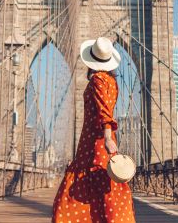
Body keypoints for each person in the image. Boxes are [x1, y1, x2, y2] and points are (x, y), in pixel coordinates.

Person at [52, 37, 135, 223]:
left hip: (94, 141)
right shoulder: (112, 81)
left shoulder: (97, 79)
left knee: (75, 193)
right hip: (98, 139)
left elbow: (104, 110)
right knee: (104, 182)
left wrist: (107, 137)